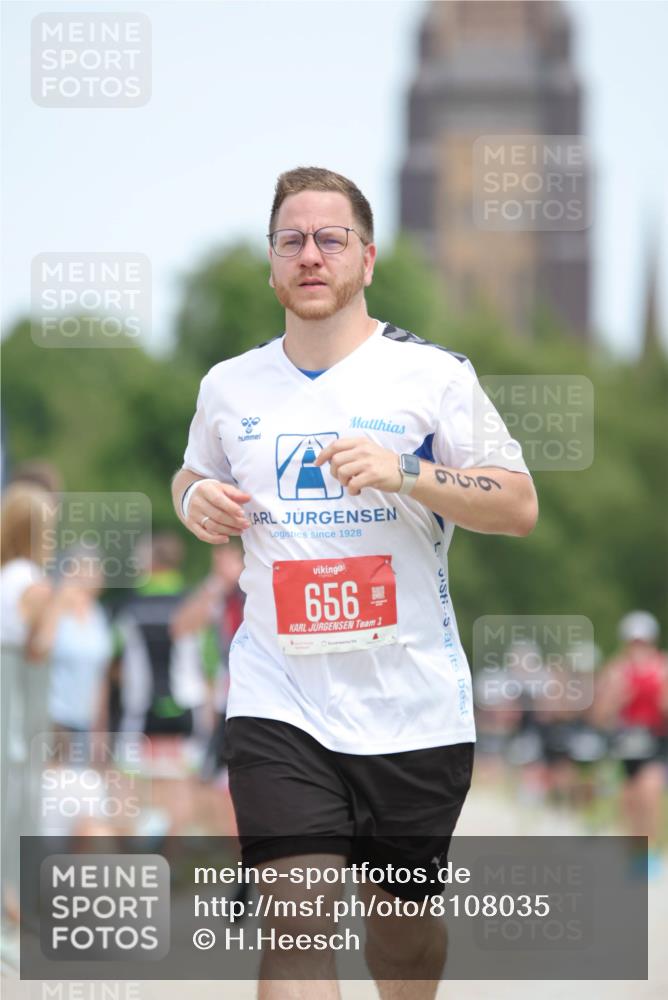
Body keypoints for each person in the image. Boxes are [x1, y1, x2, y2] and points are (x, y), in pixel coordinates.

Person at [171, 166, 538, 999]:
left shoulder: (434, 376)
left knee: (401, 940)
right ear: (271, 264)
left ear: (366, 260)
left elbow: (517, 503)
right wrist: (194, 498)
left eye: (330, 239)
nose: (311, 255)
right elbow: (191, 471)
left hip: (410, 703)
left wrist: (407, 474)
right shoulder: (229, 385)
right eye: (291, 240)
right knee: (295, 921)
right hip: (279, 695)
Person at [592, 611, 668, 870]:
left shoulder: (663, 667)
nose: (639, 648)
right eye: (634, 642)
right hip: (625, 743)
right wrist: (616, 698)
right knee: (629, 800)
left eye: (643, 642)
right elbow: (599, 716)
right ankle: (637, 853)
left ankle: (651, 854)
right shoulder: (615, 670)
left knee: (650, 793)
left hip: (655, 741)